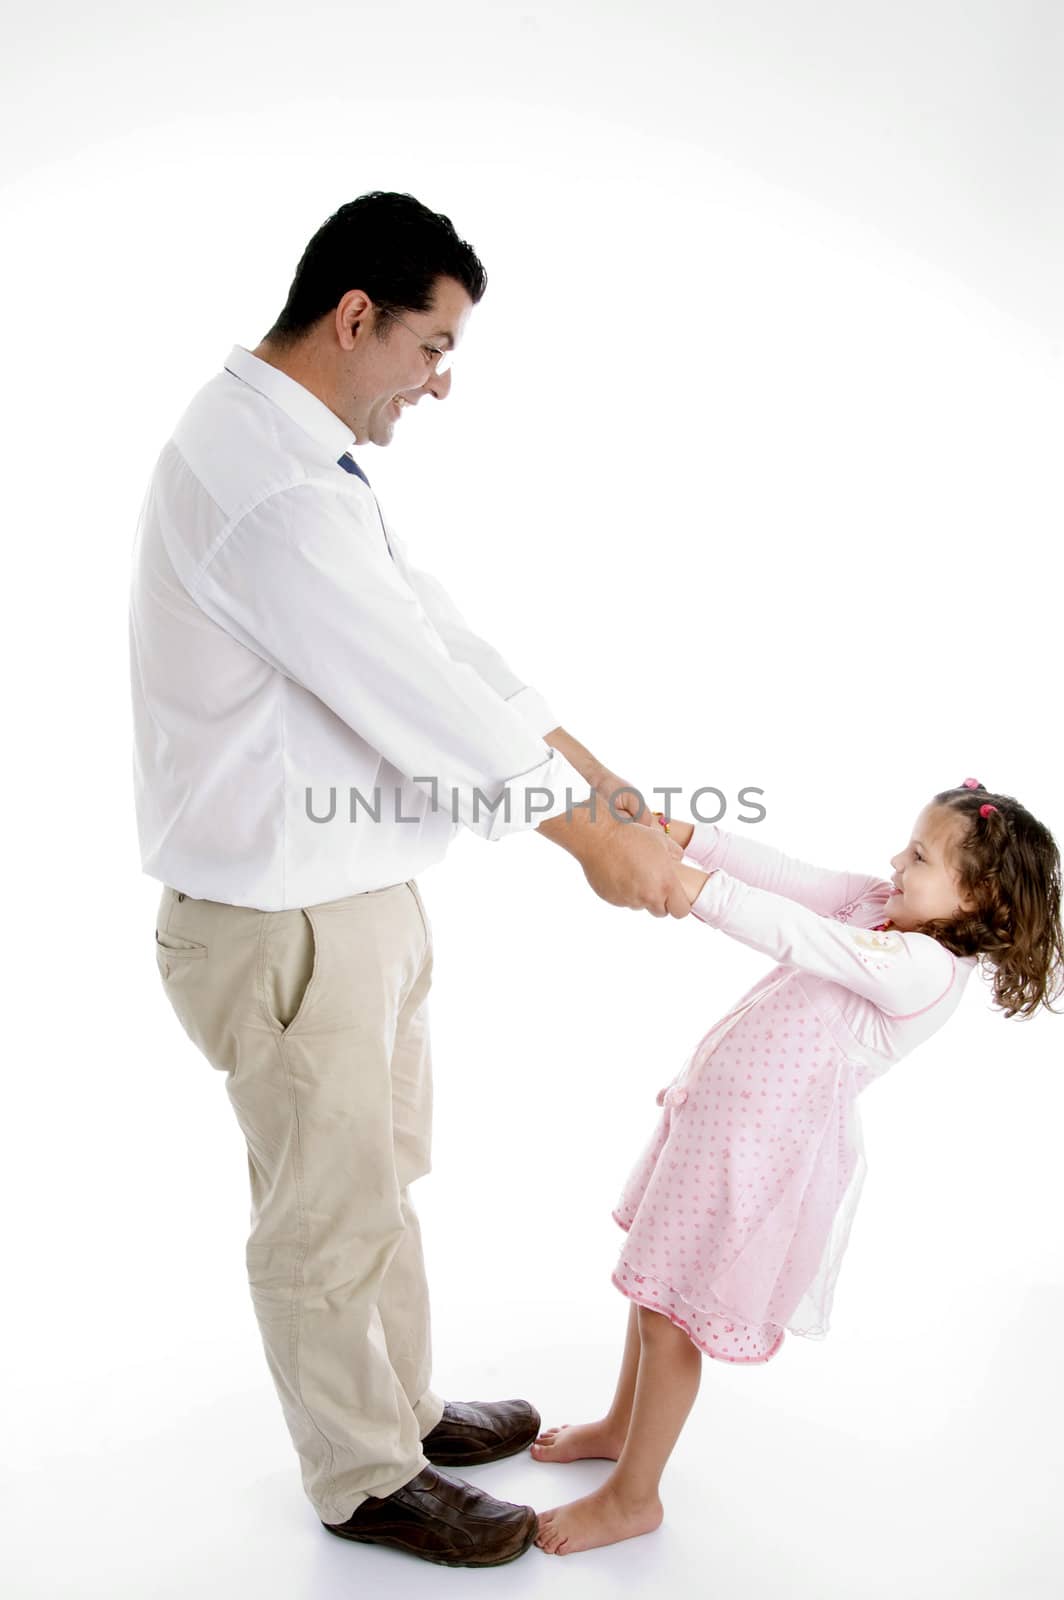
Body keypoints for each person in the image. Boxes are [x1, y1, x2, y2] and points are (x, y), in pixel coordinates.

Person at [129, 191, 690, 1570]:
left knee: (381, 1177)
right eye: (433, 349)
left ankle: (401, 1409)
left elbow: (440, 643)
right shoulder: (267, 488)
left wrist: (612, 788)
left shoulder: (301, 456)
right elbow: (419, 706)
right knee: (327, 1210)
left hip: (354, 899)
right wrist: (595, 844)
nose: (442, 385)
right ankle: (363, 1478)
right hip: (282, 920)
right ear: (355, 315)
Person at [531, 780, 1063, 1556]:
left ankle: (634, 1498)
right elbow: (788, 879)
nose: (894, 861)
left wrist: (690, 889)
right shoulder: (885, 905)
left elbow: (792, 931)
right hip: (715, 1126)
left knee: (670, 1314)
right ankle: (620, 1427)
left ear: (975, 896)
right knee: (651, 1283)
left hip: (756, 1156)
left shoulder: (920, 968)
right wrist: (684, 839)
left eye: (918, 855)